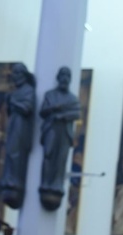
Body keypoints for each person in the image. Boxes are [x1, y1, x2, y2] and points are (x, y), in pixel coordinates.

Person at [39, 66, 81, 211]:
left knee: (61, 159)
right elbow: (43, 111)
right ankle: (46, 184)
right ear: (58, 77)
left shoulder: (72, 98)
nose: (64, 78)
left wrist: (62, 115)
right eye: (62, 75)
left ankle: (57, 185)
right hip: (51, 129)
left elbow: (76, 113)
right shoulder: (50, 95)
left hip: (64, 132)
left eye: (67, 76)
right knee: (49, 155)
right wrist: (55, 109)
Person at [1, 62, 36, 209]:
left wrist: (14, 102)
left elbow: (27, 108)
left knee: (16, 153)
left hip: (21, 127)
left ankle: (14, 181)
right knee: (9, 152)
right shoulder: (15, 92)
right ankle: (9, 179)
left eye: (17, 73)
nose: (14, 77)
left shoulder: (28, 90)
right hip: (14, 124)